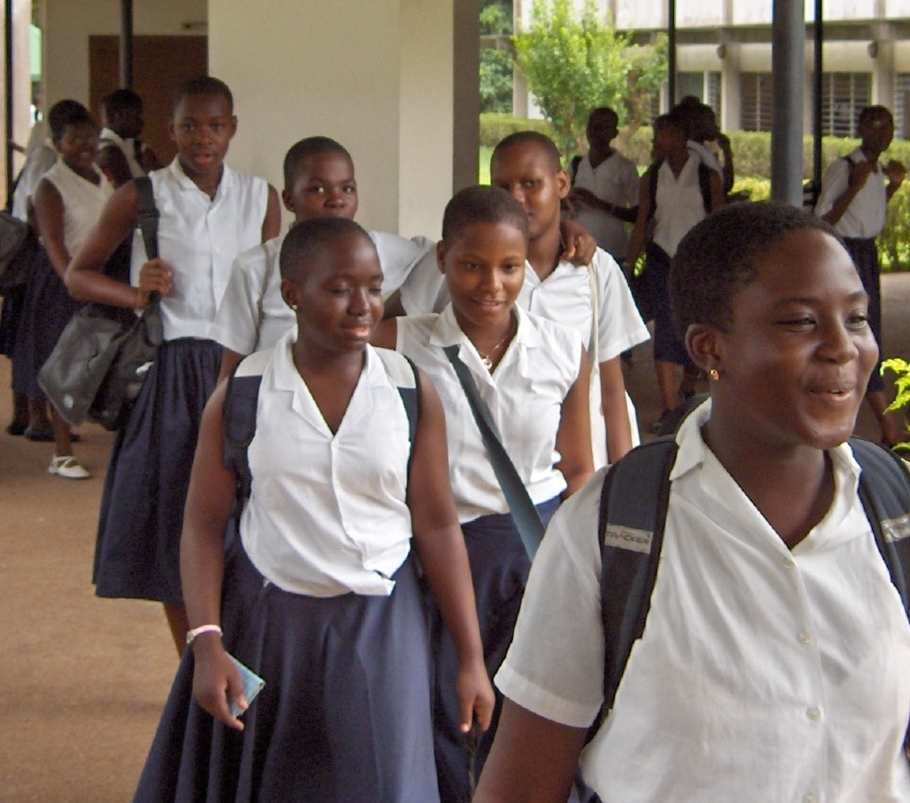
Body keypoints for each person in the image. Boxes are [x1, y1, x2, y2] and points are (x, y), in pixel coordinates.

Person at [473, 204, 910, 803]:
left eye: (858, 318)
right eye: (801, 323)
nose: (844, 348)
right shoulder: (613, 533)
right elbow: (521, 786)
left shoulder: (909, 515)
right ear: (710, 348)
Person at [133, 217, 492, 803]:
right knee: (276, 782)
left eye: (374, 287)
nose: (363, 305)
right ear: (292, 292)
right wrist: (206, 643)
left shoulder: (410, 391)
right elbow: (201, 526)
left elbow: (437, 525)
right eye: (340, 288)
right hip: (272, 625)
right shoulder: (243, 395)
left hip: (383, 627)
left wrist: (469, 657)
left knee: (382, 781)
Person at [375, 186, 592, 801]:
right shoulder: (399, 343)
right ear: (443, 258)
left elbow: (578, 468)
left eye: (509, 267)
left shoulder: (561, 348)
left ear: (527, 263)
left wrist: (577, 573)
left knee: (536, 715)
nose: (490, 284)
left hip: (535, 555)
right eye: (471, 265)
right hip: (437, 557)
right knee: (444, 712)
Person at [63, 76, 280, 646]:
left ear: (232, 128)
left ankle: (241, 649)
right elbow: (78, 274)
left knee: (248, 515)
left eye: (214, 126)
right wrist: (136, 292)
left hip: (243, 370)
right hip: (175, 374)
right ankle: (192, 657)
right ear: (172, 130)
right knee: (174, 520)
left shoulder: (261, 198)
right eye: (189, 126)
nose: (202, 138)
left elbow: (276, 289)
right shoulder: (143, 196)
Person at [396, 134, 644, 467]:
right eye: (503, 187)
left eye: (531, 183)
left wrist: (624, 480)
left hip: (575, 468)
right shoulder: (459, 261)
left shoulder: (596, 272)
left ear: (561, 183)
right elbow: (389, 332)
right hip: (472, 469)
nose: (516, 197)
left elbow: (612, 392)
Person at [212, 136, 433, 373]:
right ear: (289, 200)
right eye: (317, 189)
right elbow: (233, 368)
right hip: (274, 398)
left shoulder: (375, 249)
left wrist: (395, 310)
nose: (336, 200)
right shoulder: (256, 266)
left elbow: (436, 259)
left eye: (347, 189)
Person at [12, 101, 114, 478]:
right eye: (75, 140)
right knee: (62, 361)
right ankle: (61, 450)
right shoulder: (50, 186)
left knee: (96, 358)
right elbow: (54, 243)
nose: (85, 146)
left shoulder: (100, 177)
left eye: (90, 138)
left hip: (97, 278)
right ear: (58, 144)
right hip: (63, 282)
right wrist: (72, 281)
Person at [815, 104, 910, 445]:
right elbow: (824, 219)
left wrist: (892, 187)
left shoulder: (876, 169)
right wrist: (855, 185)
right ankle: (889, 429)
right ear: (860, 129)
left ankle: (884, 425)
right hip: (847, 253)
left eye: (888, 126)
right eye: (874, 125)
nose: (882, 133)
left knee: (869, 332)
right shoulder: (846, 168)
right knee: (858, 334)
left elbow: (869, 214)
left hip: (867, 252)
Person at [629, 109, 723, 422]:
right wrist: (630, 263)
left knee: (699, 324)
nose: (656, 141)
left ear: (681, 138)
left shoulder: (706, 175)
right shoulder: (653, 176)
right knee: (666, 328)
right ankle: (669, 410)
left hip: (696, 259)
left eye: (662, 135)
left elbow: (718, 221)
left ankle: (701, 386)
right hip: (662, 256)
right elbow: (643, 221)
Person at [566, 107, 641, 260]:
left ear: (614, 133)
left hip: (613, 249)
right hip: (578, 248)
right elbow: (563, 207)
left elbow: (637, 214)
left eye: (602, 127)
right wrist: (569, 200)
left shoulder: (624, 167)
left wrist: (599, 204)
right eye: (592, 126)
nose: (595, 132)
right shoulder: (577, 164)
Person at [96, 87, 161, 187]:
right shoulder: (110, 153)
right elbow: (130, 193)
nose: (141, 121)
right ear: (119, 116)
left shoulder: (133, 146)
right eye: (137, 115)